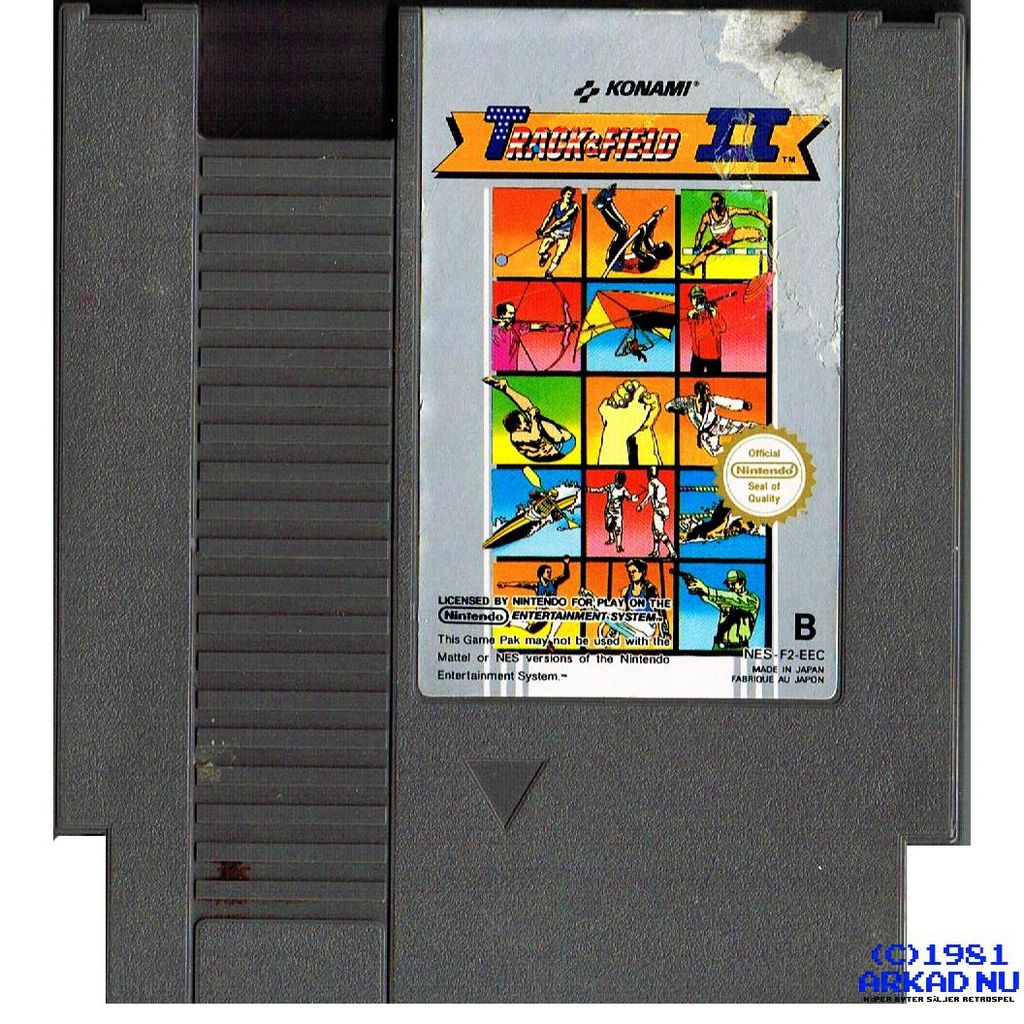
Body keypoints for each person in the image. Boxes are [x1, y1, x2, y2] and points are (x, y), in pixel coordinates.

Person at [485, 376, 576, 462]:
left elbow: (527, 406)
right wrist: (533, 417)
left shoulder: (525, 429)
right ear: (517, 427)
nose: (527, 422)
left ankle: (506, 388)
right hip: (560, 449)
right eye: (524, 421)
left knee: (531, 411)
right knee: (536, 419)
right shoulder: (516, 436)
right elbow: (535, 437)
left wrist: (506, 389)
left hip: (561, 444)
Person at [680, 191, 770, 275]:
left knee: (757, 233)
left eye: (718, 202)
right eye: (713, 202)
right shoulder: (707, 217)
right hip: (718, 241)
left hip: (732, 234)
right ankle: (691, 267)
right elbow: (700, 232)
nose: (715, 204)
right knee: (704, 252)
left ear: (722, 203)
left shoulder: (729, 210)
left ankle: (761, 239)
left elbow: (750, 211)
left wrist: (765, 219)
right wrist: (697, 244)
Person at [592, 184, 672, 274]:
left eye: (657, 247)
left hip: (616, 263)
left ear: (660, 254)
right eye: (657, 245)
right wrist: (655, 219)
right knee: (625, 227)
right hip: (619, 258)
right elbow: (648, 236)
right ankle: (608, 201)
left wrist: (641, 234)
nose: (654, 246)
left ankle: (601, 207)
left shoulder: (652, 260)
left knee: (622, 230)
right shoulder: (654, 251)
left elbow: (635, 249)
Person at [666, 380, 757, 457]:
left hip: (719, 425)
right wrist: (677, 411)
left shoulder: (712, 400)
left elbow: (728, 403)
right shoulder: (688, 402)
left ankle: (757, 428)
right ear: (698, 392)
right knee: (716, 452)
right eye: (705, 390)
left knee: (744, 427)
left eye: (708, 390)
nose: (708, 393)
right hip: (706, 435)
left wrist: (743, 404)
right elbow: (669, 405)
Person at [682, 568, 760, 652]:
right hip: (719, 647)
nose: (730, 587)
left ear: (742, 583)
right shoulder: (726, 599)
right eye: (728, 584)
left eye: (733, 584)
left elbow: (734, 598)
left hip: (739, 649)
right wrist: (698, 590)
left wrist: (706, 589)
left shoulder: (752, 600)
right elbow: (709, 598)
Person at [491, 301, 572, 372]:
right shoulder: (491, 327)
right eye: (510, 313)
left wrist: (561, 328)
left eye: (514, 313)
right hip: (495, 369)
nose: (513, 316)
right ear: (502, 315)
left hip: (511, 370)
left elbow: (540, 327)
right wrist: (498, 322)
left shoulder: (517, 327)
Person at [536, 186, 580, 278]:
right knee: (541, 250)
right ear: (563, 194)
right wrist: (541, 229)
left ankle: (549, 272)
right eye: (568, 194)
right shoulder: (556, 204)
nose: (570, 196)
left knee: (559, 254)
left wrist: (548, 230)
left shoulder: (574, 206)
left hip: (565, 235)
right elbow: (549, 217)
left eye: (571, 194)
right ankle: (545, 256)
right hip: (554, 232)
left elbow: (562, 220)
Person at [587, 472, 637, 552]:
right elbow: (600, 490)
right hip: (609, 511)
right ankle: (611, 538)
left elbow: (629, 497)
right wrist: (590, 490)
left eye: (619, 482)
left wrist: (633, 498)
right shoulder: (611, 487)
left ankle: (619, 545)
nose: (618, 484)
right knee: (608, 527)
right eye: (617, 481)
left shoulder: (624, 490)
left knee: (618, 529)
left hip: (618, 513)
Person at [685, 285, 727, 374]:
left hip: (713, 356)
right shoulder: (693, 313)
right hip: (697, 355)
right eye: (694, 298)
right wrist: (691, 315)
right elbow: (697, 334)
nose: (696, 301)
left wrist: (714, 314)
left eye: (699, 298)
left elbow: (722, 328)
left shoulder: (711, 312)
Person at [637, 467, 675, 557]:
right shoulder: (660, 484)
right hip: (665, 509)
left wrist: (641, 505)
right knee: (655, 531)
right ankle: (656, 551)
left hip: (659, 510)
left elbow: (649, 495)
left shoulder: (652, 483)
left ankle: (672, 551)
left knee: (659, 532)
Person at [497, 557, 572, 596]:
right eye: (547, 572)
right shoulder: (536, 585)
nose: (549, 574)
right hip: (541, 610)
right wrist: (505, 584)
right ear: (541, 573)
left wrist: (566, 564)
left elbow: (566, 576)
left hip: (552, 609)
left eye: (550, 572)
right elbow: (520, 584)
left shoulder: (553, 582)